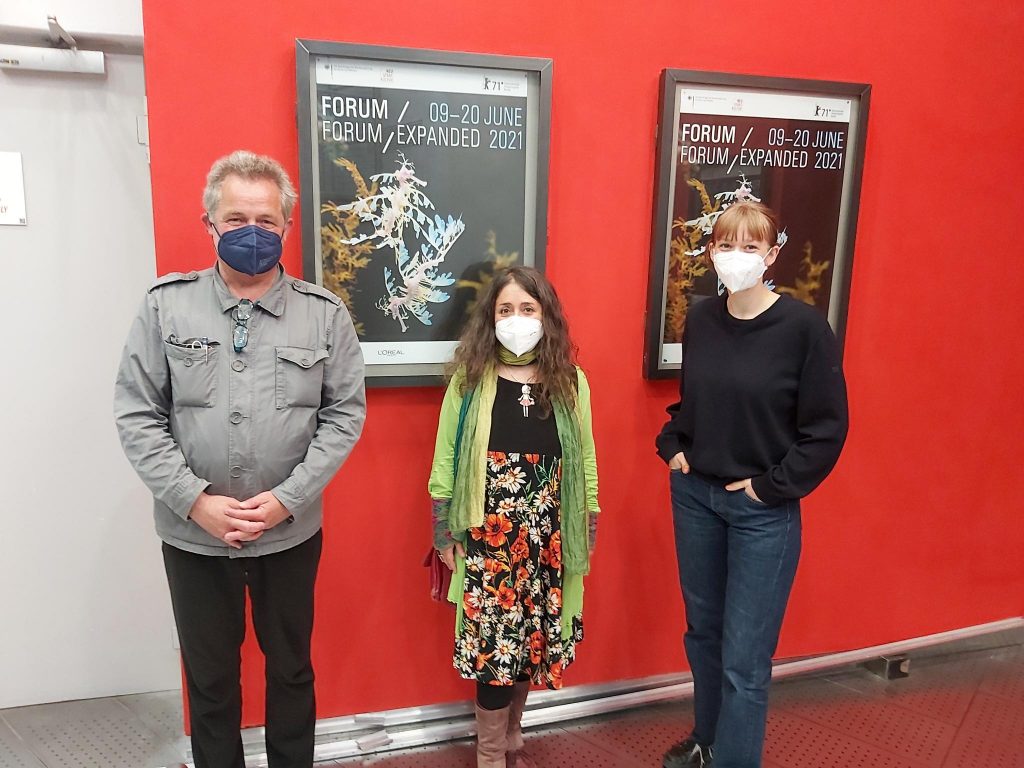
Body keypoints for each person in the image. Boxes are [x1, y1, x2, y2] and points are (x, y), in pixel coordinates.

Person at [114, 150, 366, 768]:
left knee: (291, 670)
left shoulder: (325, 315)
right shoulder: (165, 306)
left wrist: (286, 500)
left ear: (286, 227)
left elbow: (343, 417)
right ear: (210, 224)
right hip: (194, 537)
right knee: (210, 681)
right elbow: (138, 413)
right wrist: (193, 501)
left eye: (266, 220)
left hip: (289, 533)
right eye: (235, 219)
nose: (252, 232)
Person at [656, 202, 848, 768]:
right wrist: (674, 445)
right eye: (725, 245)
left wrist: (771, 487)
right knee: (704, 635)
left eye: (749, 246)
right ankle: (707, 742)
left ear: (771, 254)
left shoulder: (804, 329)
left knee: (745, 657)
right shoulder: (702, 320)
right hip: (697, 499)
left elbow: (826, 430)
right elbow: (694, 405)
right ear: (710, 252)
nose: (735, 257)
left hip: (762, 511)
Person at [428, 266, 600, 768]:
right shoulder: (468, 380)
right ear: (491, 318)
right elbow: (445, 459)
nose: (517, 319)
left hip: (548, 539)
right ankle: (489, 755)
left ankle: (512, 736)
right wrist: (443, 530)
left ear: (546, 316)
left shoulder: (571, 383)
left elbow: (586, 460)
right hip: (487, 540)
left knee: (530, 643)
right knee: (493, 651)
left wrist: (586, 529)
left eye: (528, 308)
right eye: (506, 309)